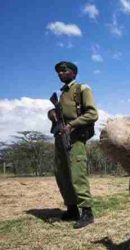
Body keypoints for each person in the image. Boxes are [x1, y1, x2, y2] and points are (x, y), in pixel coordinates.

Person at [48, 61, 98, 229]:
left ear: (73, 73)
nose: (60, 74)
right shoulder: (61, 94)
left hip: (75, 137)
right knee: (61, 173)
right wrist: (52, 114)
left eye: (64, 70)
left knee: (77, 173)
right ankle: (71, 209)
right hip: (60, 137)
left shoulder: (82, 89)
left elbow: (92, 113)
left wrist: (72, 125)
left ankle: (87, 212)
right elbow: (60, 113)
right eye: (58, 72)